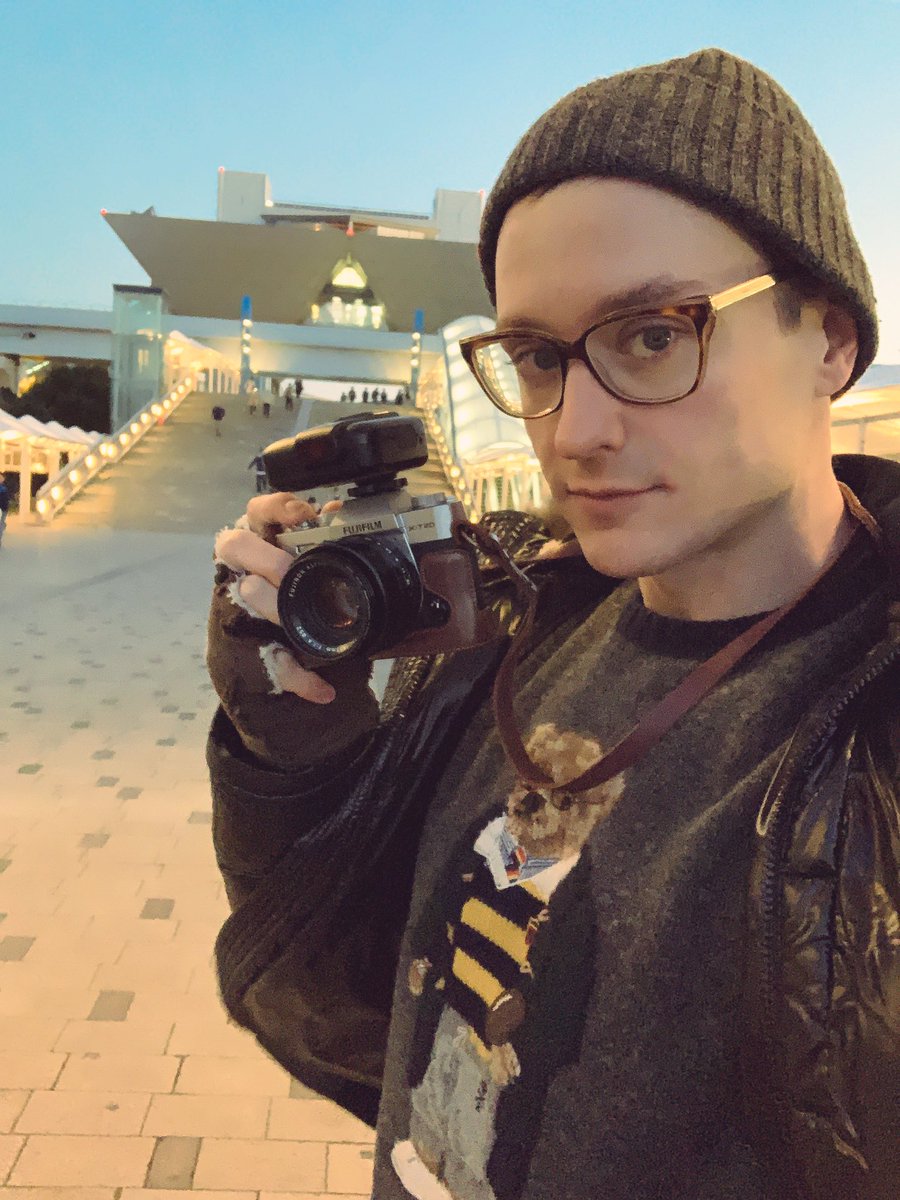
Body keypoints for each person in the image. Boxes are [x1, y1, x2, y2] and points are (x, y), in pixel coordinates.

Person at [206, 49, 898, 1200]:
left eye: (652, 335)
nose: (573, 431)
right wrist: (295, 751)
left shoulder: (873, 731)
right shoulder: (513, 621)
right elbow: (375, 1014)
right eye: (536, 356)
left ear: (829, 337)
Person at [0, 473, 9, 547]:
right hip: (3, 509)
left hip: (3, 509)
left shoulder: (4, 488)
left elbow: (5, 500)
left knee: (1, 524)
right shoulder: (4, 488)